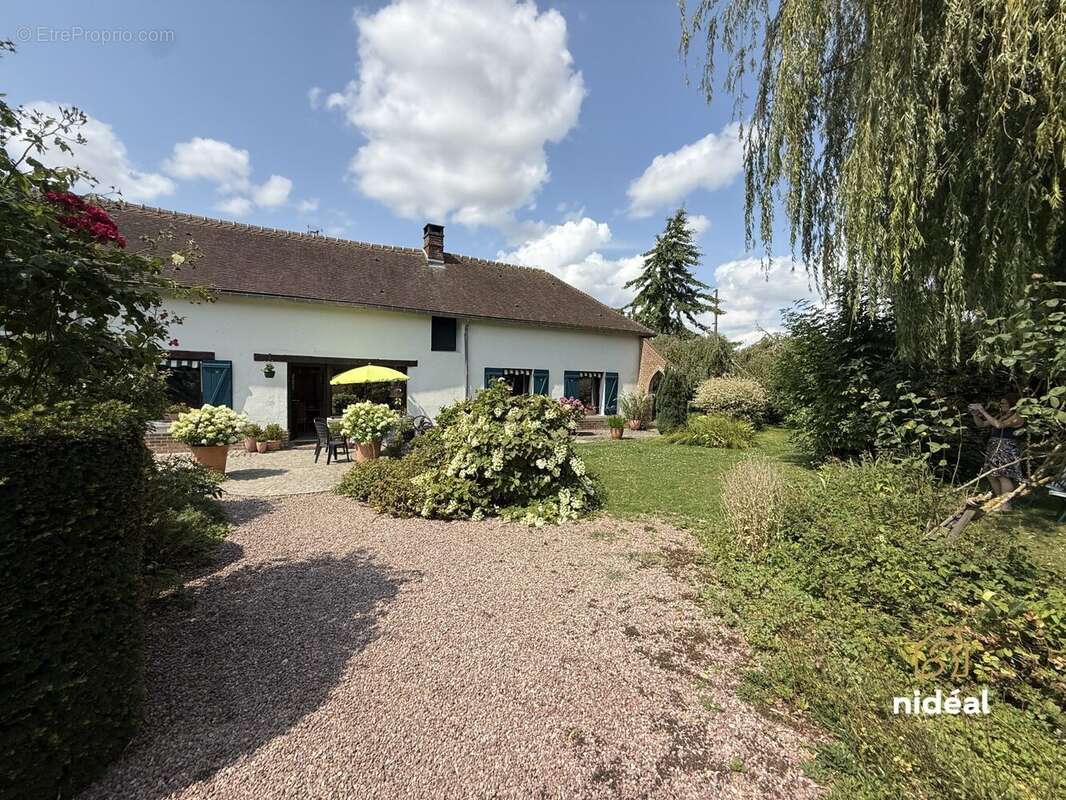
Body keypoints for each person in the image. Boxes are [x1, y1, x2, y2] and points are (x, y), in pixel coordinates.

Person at [968, 393, 1024, 511]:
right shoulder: (1001, 415)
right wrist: (975, 414)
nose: (1001, 405)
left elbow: (999, 425)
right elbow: (981, 424)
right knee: (991, 474)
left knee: (1003, 475)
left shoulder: (1017, 416)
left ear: (1012, 404)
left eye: (1003, 403)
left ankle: (1006, 504)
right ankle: (999, 501)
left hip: (1007, 448)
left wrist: (982, 410)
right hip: (994, 448)